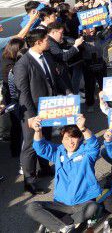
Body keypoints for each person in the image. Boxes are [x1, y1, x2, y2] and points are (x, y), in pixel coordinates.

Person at [14, 28, 72, 194]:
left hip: (49, 108)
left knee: (45, 138)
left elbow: (56, 78)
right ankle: (29, 181)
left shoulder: (47, 56)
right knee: (31, 145)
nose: (49, 42)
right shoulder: (23, 64)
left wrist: (68, 93)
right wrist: (31, 117)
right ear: (38, 42)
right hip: (33, 112)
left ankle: (45, 168)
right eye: (46, 40)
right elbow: (23, 93)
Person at [25, 115, 100, 233]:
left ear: (80, 138)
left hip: (83, 203)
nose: (70, 142)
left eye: (74, 137)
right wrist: (38, 131)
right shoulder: (58, 152)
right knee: (32, 207)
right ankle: (63, 228)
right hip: (62, 204)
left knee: (93, 207)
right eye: (66, 138)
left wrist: (83, 128)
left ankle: (53, 223)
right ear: (62, 140)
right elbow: (40, 147)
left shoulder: (87, 152)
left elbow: (94, 144)